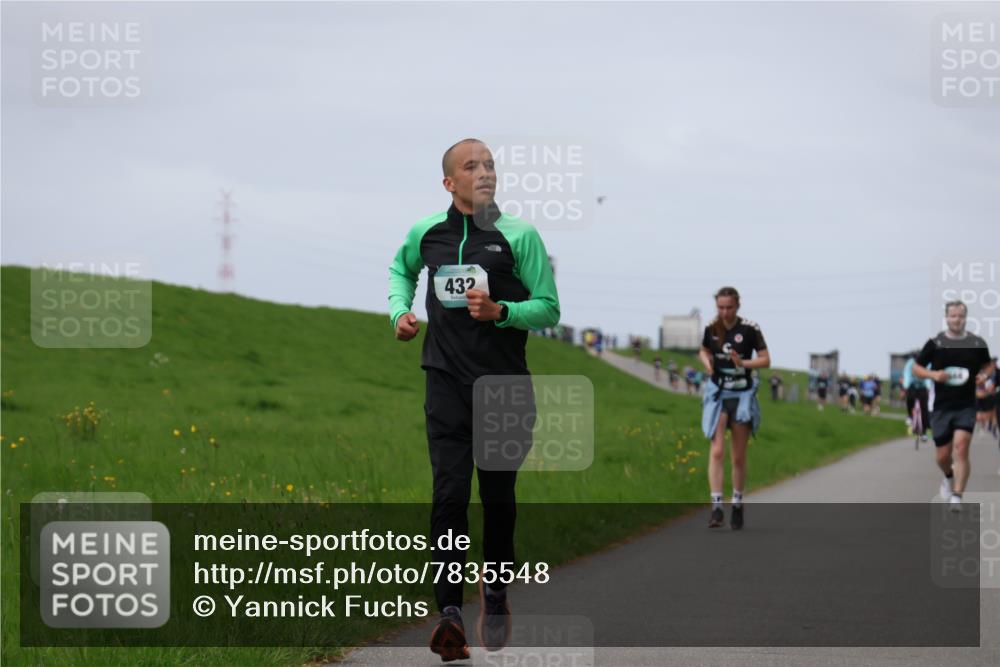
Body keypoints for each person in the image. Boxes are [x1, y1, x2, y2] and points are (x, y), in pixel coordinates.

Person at [388, 138, 560, 660]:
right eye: (471, 166)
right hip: (444, 381)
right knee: (449, 496)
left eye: (489, 164)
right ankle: (450, 615)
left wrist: (503, 312)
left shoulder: (519, 235)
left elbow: (548, 307)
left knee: (499, 500)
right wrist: (399, 313)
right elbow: (401, 271)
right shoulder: (427, 233)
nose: (484, 172)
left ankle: (497, 593)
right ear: (450, 183)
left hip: (504, 386)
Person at [698, 286, 770, 530]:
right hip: (719, 393)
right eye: (720, 307)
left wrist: (744, 363)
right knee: (717, 451)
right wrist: (707, 363)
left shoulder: (750, 329)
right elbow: (704, 350)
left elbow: (766, 359)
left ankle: (737, 502)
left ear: (738, 305)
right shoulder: (712, 327)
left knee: (738, 456)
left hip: (742, 396)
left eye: (729, 307)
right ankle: (717, 506)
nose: (725, 312)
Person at [913, 301, 994, 512]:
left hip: (966, 405)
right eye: (953, 316)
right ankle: (948, 477)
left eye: (960, 316)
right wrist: (933, 375)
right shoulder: (935, 343)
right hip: (941, 406)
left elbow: (989, 364)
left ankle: (957, 495)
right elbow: (916, 368)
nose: (957, 319)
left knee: (961, 447)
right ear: (947, 318)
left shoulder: (976, 343)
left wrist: (985, 375)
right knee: (942, 456)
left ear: (966, 318)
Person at [902, 355, 931, 441]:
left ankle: (924, 432)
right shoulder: (910, 363)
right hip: (912, 385)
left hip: (922, 386)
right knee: (909, 400)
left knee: (924, 408)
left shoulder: (927, 363)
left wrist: (928, 386)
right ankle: (910, 416)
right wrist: (906, 386)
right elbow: (907, 374)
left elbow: (928, 375)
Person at [975, 357, 997, 437]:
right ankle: (983, 426)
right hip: (978, 395)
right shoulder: (979, 372)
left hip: (987, 395)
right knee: (979, 415)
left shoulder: (993, 374)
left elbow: (991, 386)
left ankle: (989, 426)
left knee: (989, 413)